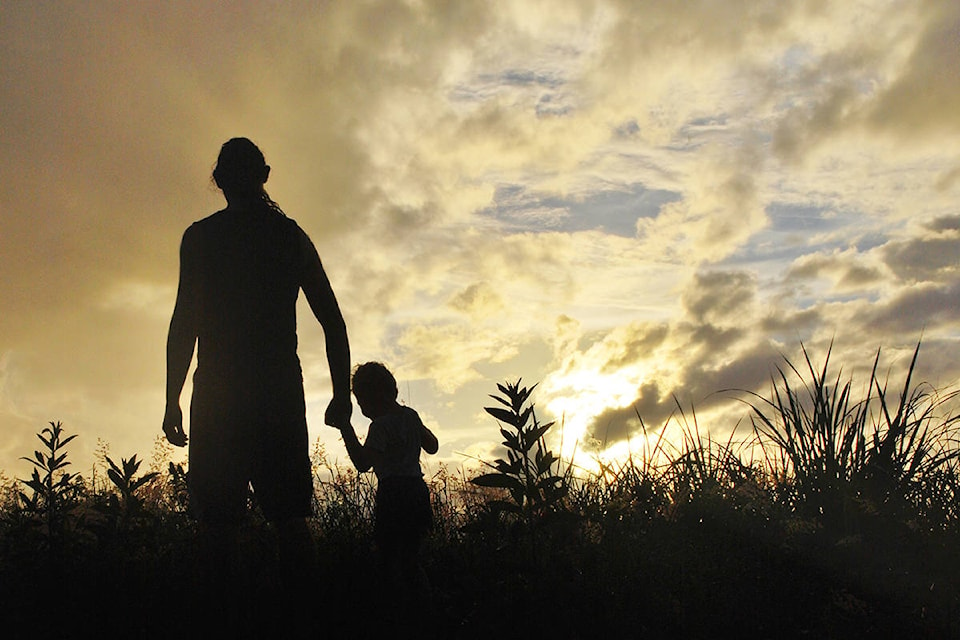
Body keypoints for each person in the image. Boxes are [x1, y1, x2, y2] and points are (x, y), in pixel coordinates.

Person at [161, 137, 351, 631]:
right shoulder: (289, 236)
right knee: (290, 519)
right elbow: (333, 321)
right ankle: (306, 624)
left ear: (220, 180)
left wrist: (172, 399)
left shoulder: (200, 238)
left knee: (218, 525)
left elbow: (185, 321)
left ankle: (225, 625)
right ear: (264, 175)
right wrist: (340, 397)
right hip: (278, 393)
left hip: (219, 394)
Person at [335, 362, 439, 603]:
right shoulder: (411, 416)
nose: (361, 406)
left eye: (360, 400)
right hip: (416, 491)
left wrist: (345, 428)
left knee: (389, 559)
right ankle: (426, 607)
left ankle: (399, 611)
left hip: (393, 495)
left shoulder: (379, 427)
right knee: (412, 559)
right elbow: (432, 446)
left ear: (370, 398)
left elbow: (363, 464)